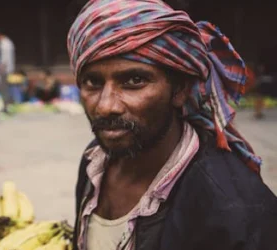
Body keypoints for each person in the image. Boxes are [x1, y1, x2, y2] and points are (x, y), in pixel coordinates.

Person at [67, 1, 277, 249]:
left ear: (180, 89)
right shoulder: (95, 160)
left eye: (134, 80)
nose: (105, 106)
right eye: (92, 82)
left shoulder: (236, 212)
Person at [0, 30, 16, 114]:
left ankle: (6, 106)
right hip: (8, 68)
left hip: (4, 69)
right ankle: (9, 103)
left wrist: (1, 68)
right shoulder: (8, 42)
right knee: (4, 87)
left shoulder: (4, 44)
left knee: (3, 88)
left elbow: (4, 58)